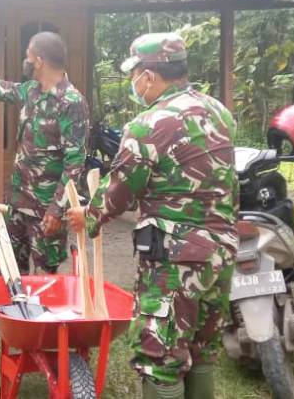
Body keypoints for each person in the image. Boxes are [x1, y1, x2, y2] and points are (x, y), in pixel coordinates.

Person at [67, 32, 238, 399]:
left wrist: (87, 216)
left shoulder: (148, 125)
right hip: (221, 252)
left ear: (150, 75)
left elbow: (119, 191)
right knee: (201, 349)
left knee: (160, 358)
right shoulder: (220, 112)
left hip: (176, 260)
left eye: (135, 75)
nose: (134, 84)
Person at [0, 32, 89, 274]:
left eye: (27, 56)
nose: (25, 61)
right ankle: (8, 312)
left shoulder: (71, 102)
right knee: (9, 270)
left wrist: (56, 210)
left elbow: (75, 164)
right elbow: (7, 90)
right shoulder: (32, 90)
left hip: (46, 207)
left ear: (39, 60)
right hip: (18, 201)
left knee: (44, 279)